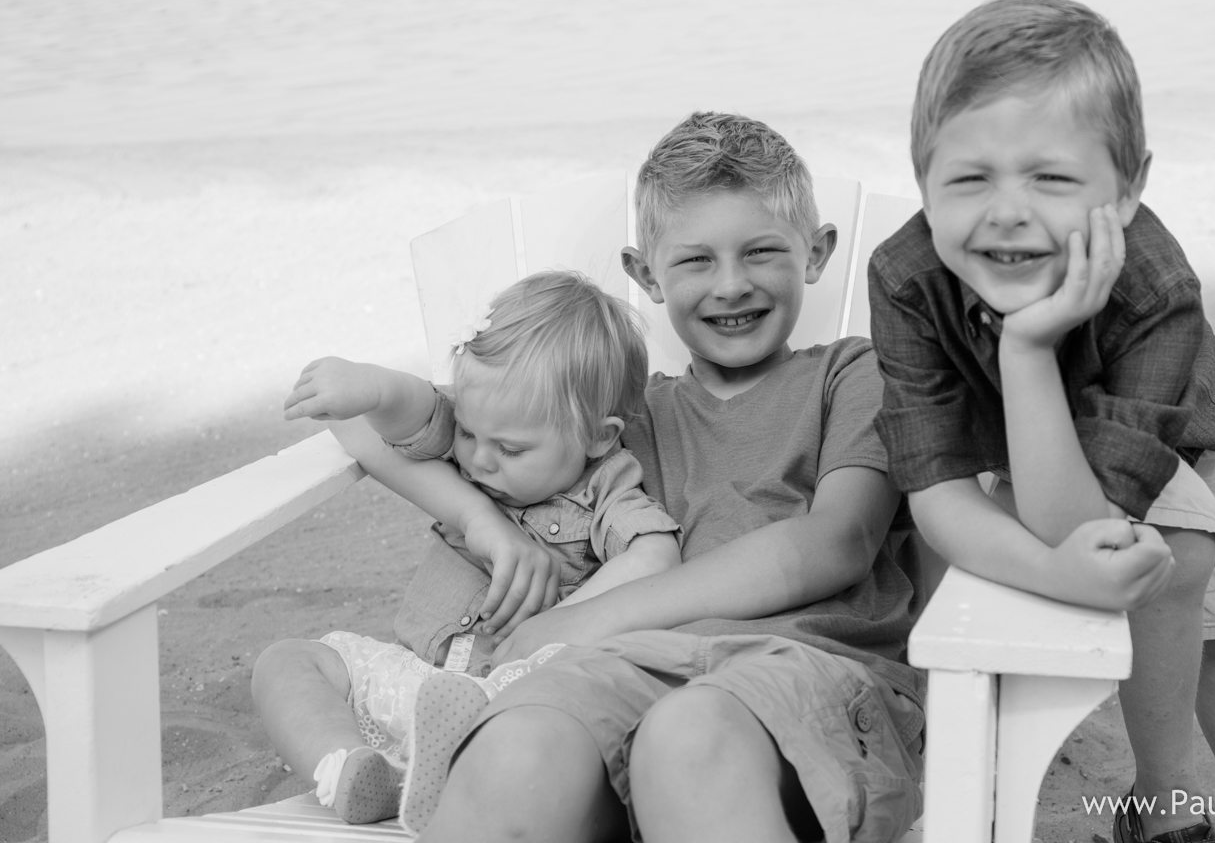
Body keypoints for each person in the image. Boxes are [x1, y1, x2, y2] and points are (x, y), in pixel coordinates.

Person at [399, 110, 944, 843]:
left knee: (685, 736)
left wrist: (579, 621)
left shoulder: (849, 374)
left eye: (760, 252)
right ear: (644, 275)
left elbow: (837, 541)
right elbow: (382, 430)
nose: (730, 285)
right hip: (621, 672)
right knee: (519, 748)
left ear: (814, 254)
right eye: (695, 261)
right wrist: (485, 525)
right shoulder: (608, 417)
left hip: (804, 671)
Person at [867, 0, 1215, 843]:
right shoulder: (905, 276)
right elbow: (939, 491)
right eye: (968, 179)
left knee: (1214, 624)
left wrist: (1025, 349)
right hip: (1010, 445)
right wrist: (1053, 567)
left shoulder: (1154, 290)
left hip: (1173, 434)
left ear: (1128, 189)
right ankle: (1149, 811)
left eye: (1052, 178)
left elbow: (1083, 526)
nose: (1008, 210)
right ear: (922, 182)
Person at [251, 270, 682, 826]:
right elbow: (416, 414)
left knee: (549, 687)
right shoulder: (479, 433)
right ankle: (356, 768)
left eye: (510, 448)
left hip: (512, 692)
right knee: (286, 663)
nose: (478, 460)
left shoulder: (605, 485)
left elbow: (655, 554)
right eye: (470, 435)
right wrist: (375, 386)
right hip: (413, 680)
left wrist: (549, 630)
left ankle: (449, 775)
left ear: (598, 437)